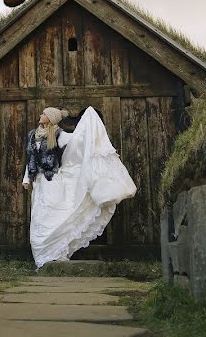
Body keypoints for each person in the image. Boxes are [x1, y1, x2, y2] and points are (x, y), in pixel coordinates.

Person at [22, 106, 137, 268]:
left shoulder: (59, 135)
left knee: (51, 213)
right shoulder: (33, 135)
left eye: (44, 113)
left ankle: (56, 251)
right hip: (38, 182)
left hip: (53, 180)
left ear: (51, 118)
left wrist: (89, 122)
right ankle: (42, 255)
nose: (40, 115)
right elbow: (30, 159)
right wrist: (27, 178)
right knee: (39, 215)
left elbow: (79, 140)